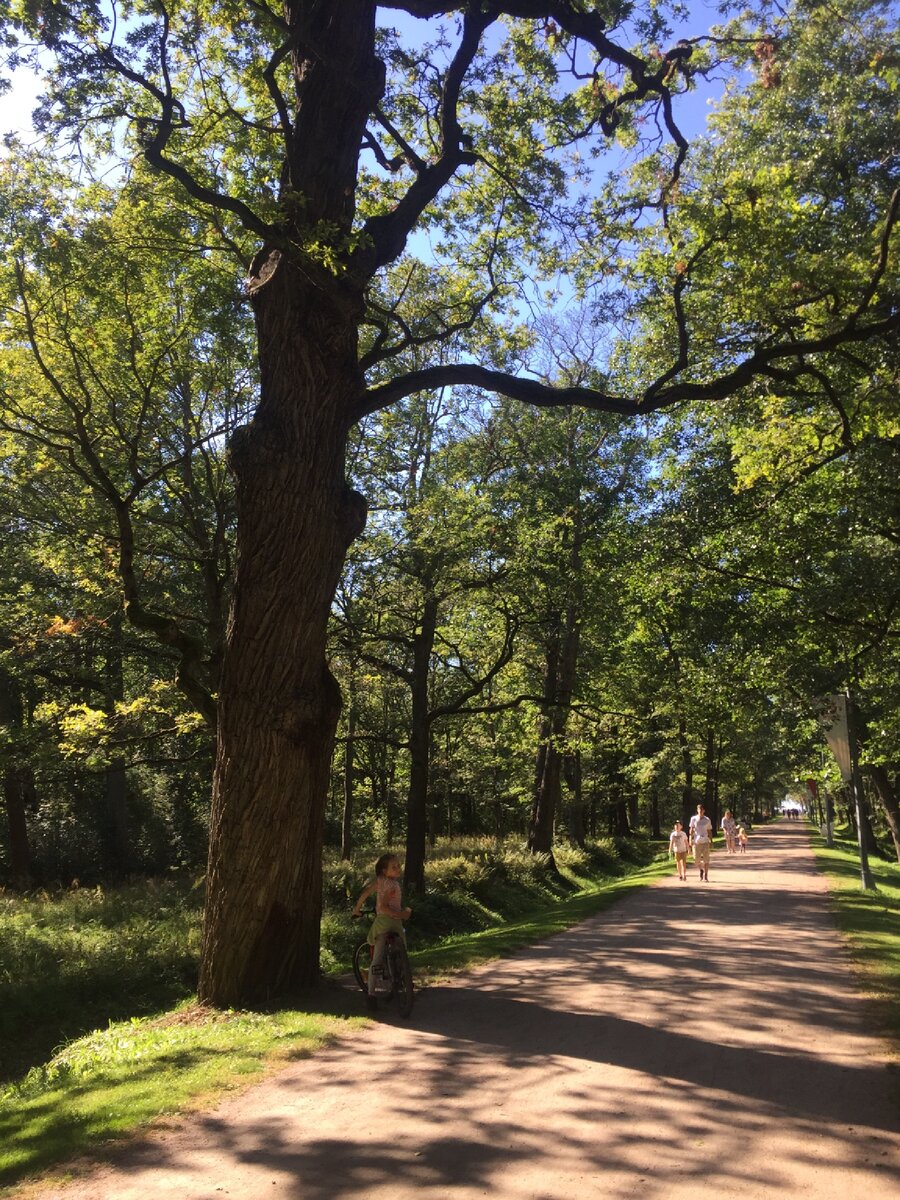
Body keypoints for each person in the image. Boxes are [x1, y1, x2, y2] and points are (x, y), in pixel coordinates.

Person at [352, 853, 412, 1004]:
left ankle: (371, 994)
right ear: (384, 871)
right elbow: (385, 907)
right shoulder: (393, 885)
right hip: (394, 921)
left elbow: (366, 894)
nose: (398, 869)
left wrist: (357, 909)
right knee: (402, 949)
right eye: (394, 867)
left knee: (377, 959)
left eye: (399, 865)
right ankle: (404, 978)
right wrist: (402, 914)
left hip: (383, 923)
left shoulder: (380, 881)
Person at [689, 803, 714, 881]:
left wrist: (711, 841)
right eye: (699, 810)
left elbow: (709, 831)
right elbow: (691, 830)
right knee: (696, 859)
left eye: (701, 810)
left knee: (706, 859)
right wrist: (690, 837)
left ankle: (706, 875)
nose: (700, 811)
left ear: (704, 811)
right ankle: (701, 870)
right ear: (697, 810)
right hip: (697, 841)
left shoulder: (707, 819)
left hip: (705, 841)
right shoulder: (693, 819)